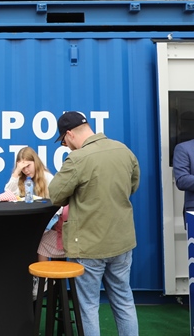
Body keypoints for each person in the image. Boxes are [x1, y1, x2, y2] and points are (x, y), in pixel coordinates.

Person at [48, 111, 140, 336]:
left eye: (63, 141)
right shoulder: (123, 150)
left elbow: (55, 195)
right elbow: (132, 186)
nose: (66, 146)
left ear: (69, 134)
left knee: (88, 307)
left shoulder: (77, 159)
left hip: (88, 244)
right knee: (124, 301)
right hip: (121, 241)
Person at [5, 147, 65, 260]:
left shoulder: (47, 177)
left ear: (35, 162)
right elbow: (9, 193)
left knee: (40, 243)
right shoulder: (21, 179)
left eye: (28, 166)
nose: (26, 170)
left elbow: (59, 204)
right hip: (30, 221)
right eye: (23, 168)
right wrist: (16, 173)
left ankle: (42, 272)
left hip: (49, 222)